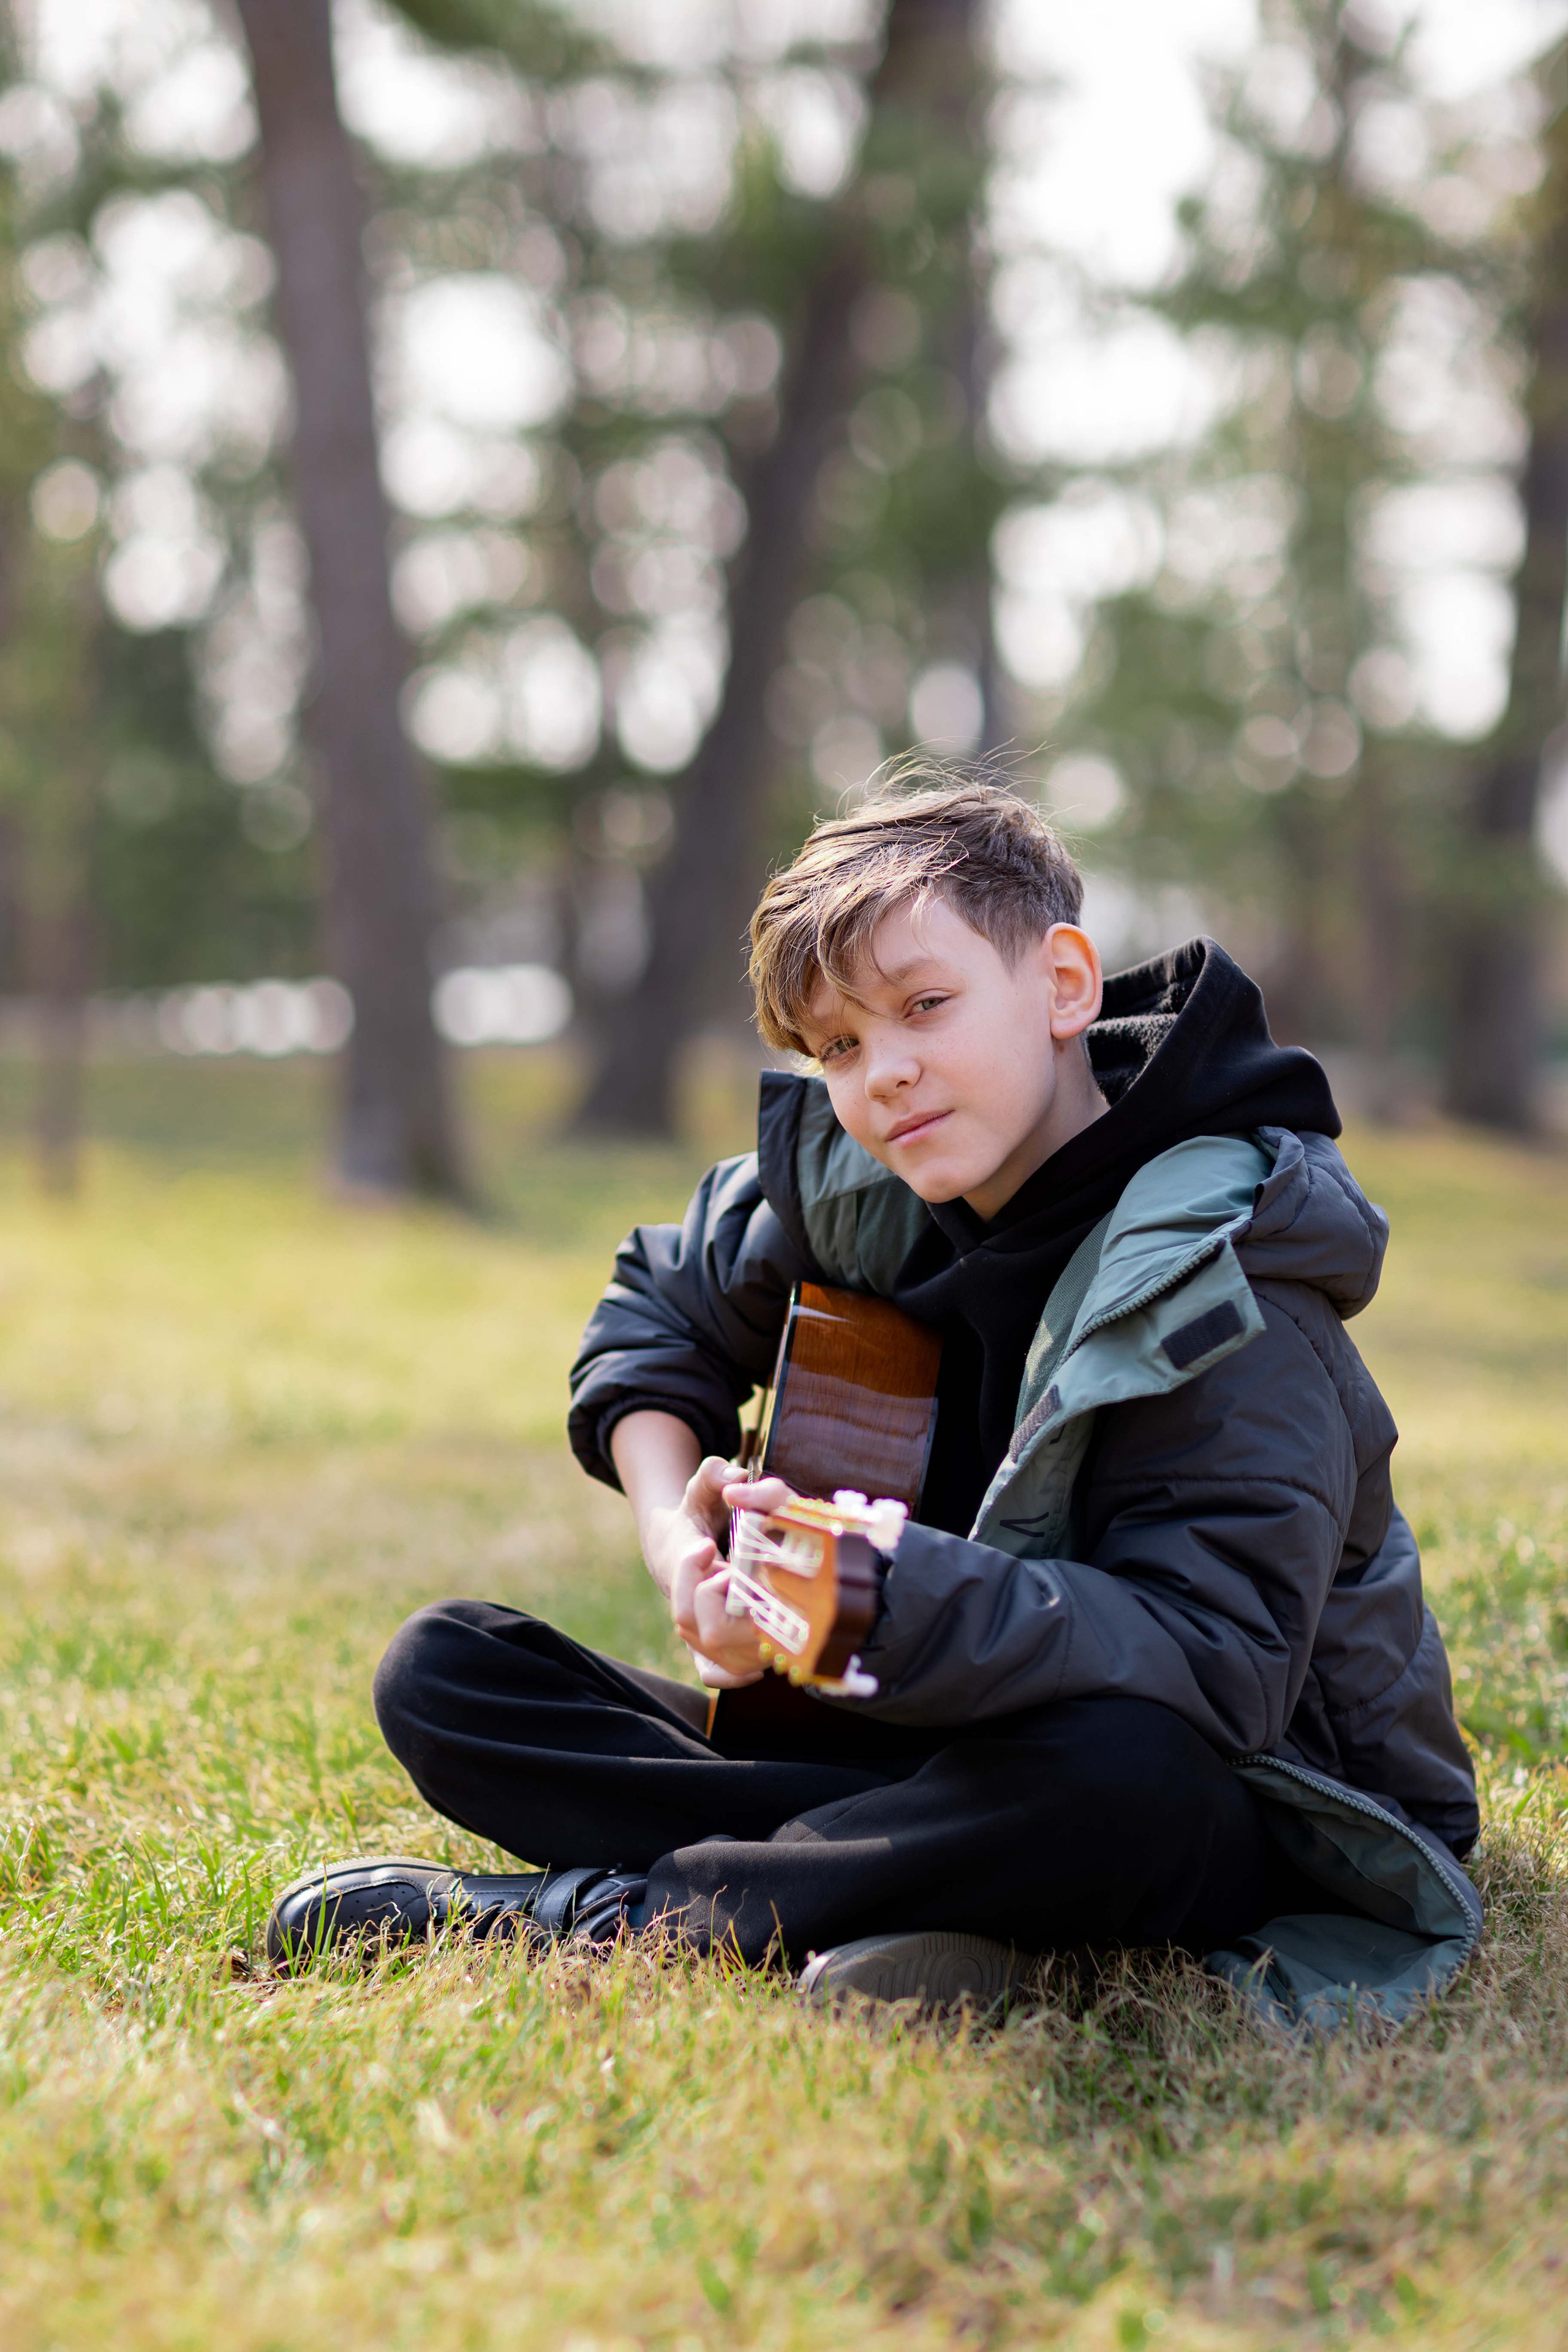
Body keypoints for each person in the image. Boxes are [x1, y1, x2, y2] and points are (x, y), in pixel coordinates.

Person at [270, 781, 1481, 2027]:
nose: (883, 1076)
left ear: (1064, 986)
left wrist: (878, 1604)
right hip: (918, 1742)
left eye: (924, 1008)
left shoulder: (1228, 1288)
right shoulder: (873, 1180)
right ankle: (905, 1891)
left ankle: (619, 1917)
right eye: (838, 1046)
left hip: (1242, 1797)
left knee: (1121, 1783)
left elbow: (1214, 1666)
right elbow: (660, 1307)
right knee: (449, 1670)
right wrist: (679, 1545)